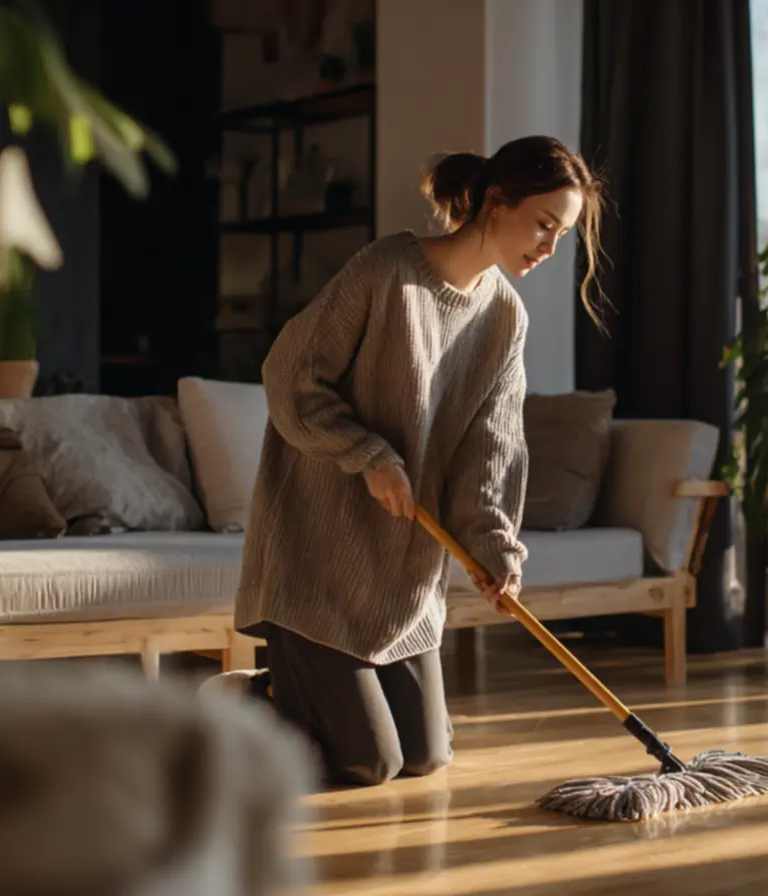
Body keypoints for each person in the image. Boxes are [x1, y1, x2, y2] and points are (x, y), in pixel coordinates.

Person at [201, 135, 606, 789]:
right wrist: (368, 455)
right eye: (543, 224)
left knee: (425, 757)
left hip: (403, 584)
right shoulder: (386, 269)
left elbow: (492, 450)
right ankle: (250, 701)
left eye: (560, 234)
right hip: (317, 567)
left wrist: (496, 551)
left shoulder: (505, 317)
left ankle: (297, 696)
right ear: (496, 204)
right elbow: (291, 378)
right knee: (370, 762)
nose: (549, 247)